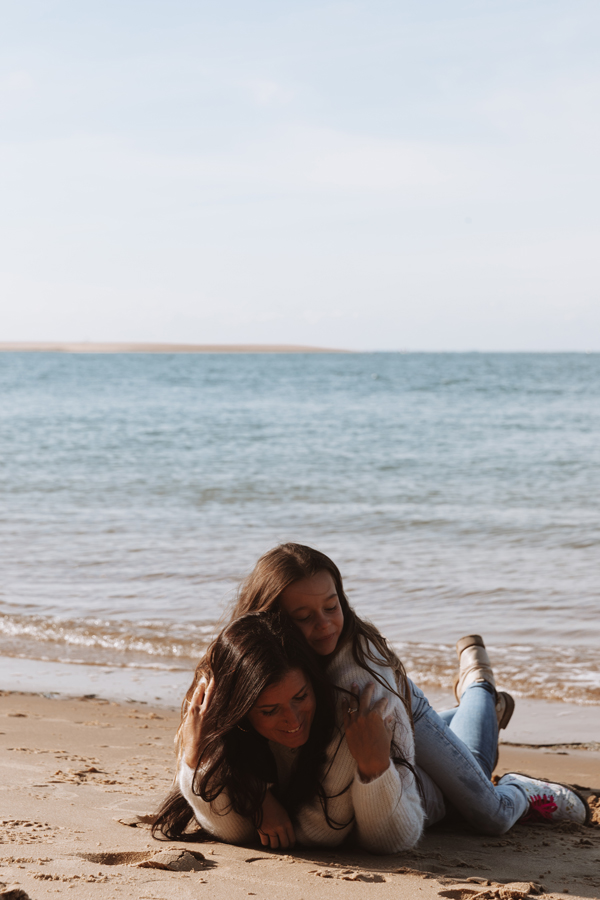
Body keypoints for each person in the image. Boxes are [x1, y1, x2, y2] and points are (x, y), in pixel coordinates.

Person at [226, 543, 590, 835]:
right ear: (270, 621)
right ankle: (472, 713)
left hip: (404, 713)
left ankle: (481, 695)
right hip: (383, 721)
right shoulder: (250, 659)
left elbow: (392, 789)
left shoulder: (360, 675)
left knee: (488, 813)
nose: (323, 626)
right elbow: (219, 737)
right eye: (303, 618)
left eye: (331, 606)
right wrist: (257, 794)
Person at [153, 612, 425, 853]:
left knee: (468, 761)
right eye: (269, 710)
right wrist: (196, 760)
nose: (293, 719)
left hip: (414, 773)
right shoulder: (217, 725)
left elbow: (385, 840)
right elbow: (234, 831)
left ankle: (470, 680)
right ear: (241, 712)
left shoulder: (346, 714)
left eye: (301, 696)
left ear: (314, 682)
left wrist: (374, 766)